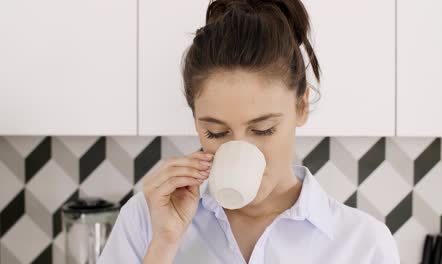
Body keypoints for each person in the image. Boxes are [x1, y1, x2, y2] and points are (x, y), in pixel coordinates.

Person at [97, 0, 400, 263]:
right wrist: (163, 245)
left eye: (264, 129)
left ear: (301, 106)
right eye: (216, 132)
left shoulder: (363, 244)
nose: (240, 148)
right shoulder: (146, 219)